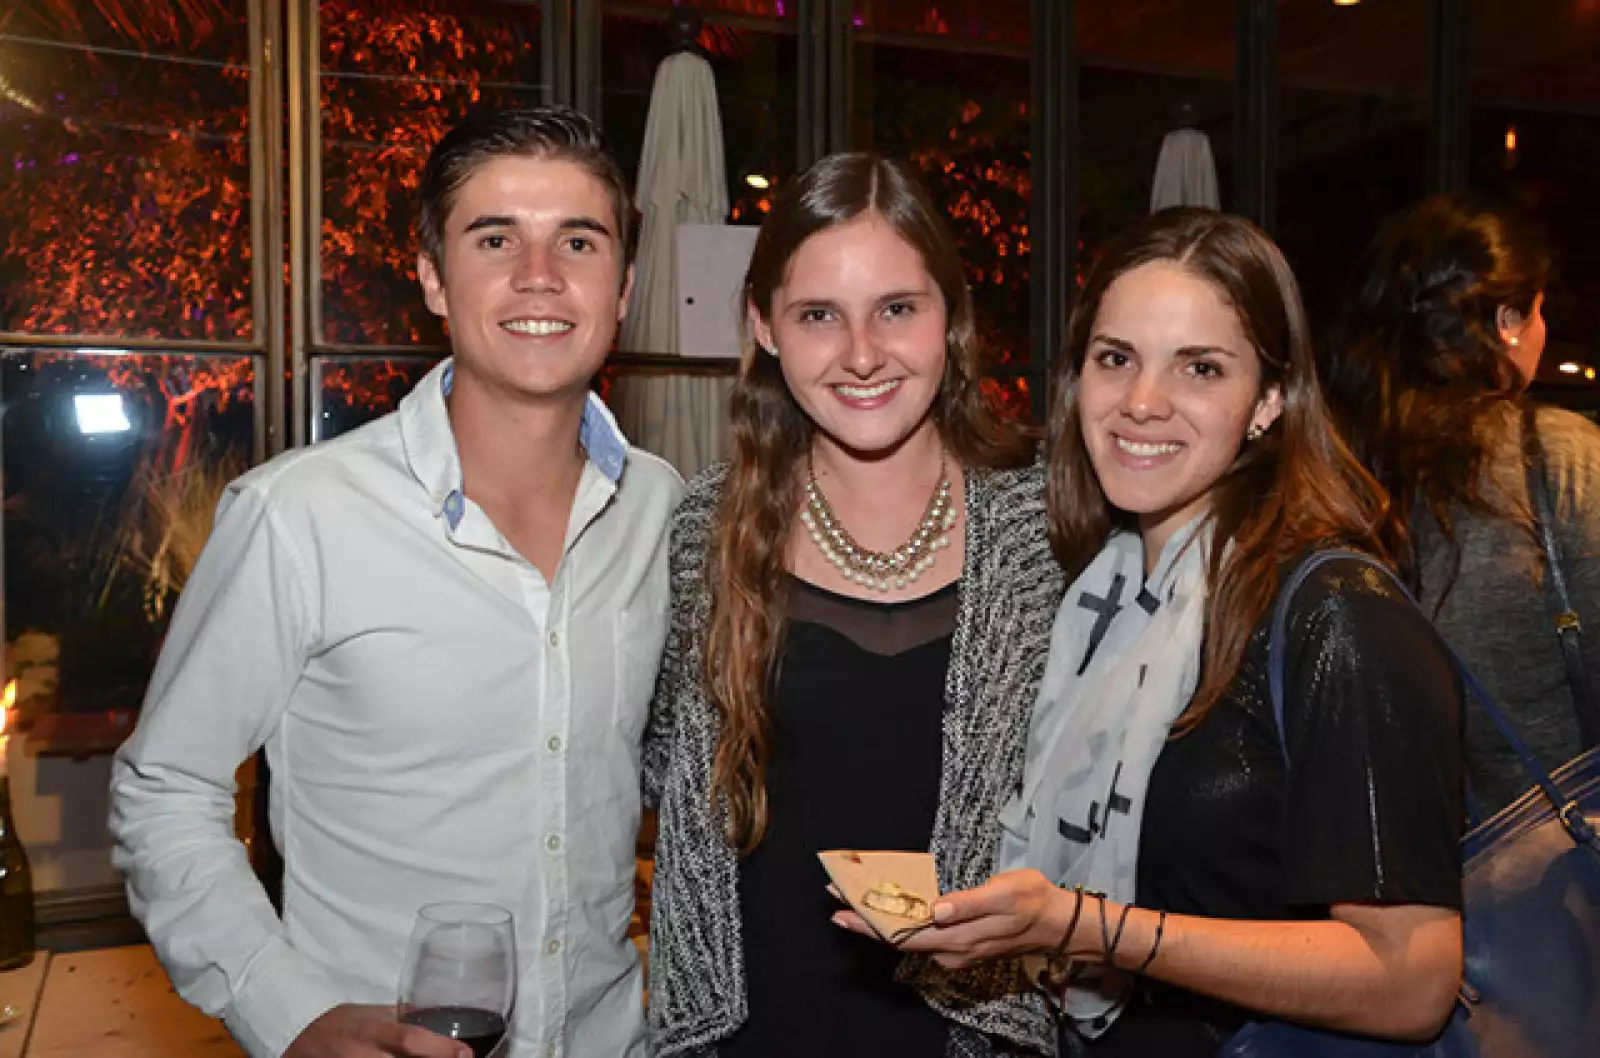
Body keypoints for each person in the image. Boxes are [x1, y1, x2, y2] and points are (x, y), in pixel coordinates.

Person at [110, 106, 681, 1058]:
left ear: (622, 286)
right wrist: (286, 1012)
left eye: (577, 241)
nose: (539, 276)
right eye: (494, 238)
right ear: (431, 278)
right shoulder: (301, 516)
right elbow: (166, 789)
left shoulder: (660, 511)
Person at [836, 208, 1466, 1056]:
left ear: (1269, 400)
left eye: (1199, 368)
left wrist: (1092, 929)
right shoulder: (1101, 600)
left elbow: (1412, 981)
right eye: (1116, 359)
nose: (1141, 402)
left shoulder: (1338, 614)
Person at [641, 152, 1063, 1057]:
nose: (862, 354)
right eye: (819, 315)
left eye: (898, 309)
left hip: (974, 1035)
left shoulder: (1046, 528)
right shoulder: (706, 528)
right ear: (764, 325)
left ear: (952, 321)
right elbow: (660, 774)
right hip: (752, 1030)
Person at [1322, 193, 1600, 815]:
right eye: (1538, 310)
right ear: (1505, 321)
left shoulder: (1337, 466)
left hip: (1383, 863)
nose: (1544, 330)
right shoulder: (1558, 459)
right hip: (1554, 873)